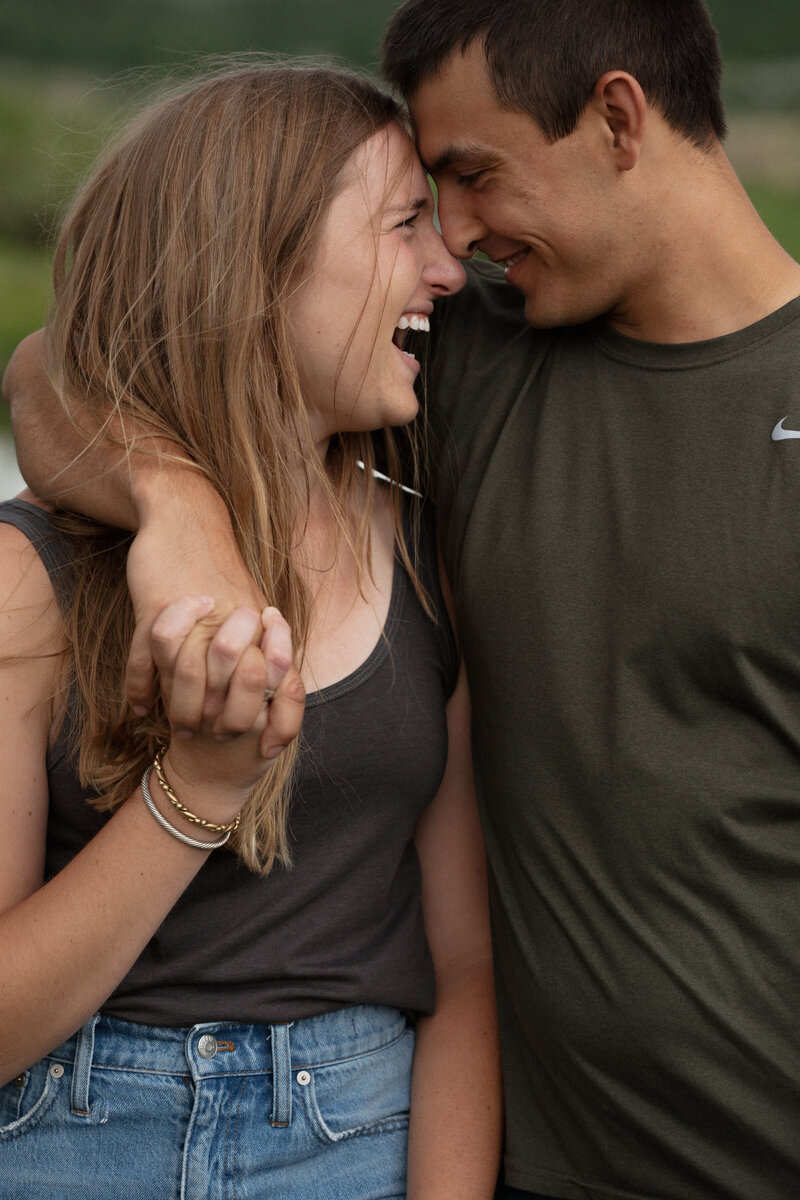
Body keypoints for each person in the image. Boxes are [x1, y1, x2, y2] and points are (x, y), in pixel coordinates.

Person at [6, 2, 800, 1198]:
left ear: (619, 119)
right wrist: (182, 514)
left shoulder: (455, 376)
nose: (457, 242)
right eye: (426, 203)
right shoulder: (475, 354)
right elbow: (69, 363)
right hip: (527, 1165)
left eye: (474, 177)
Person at [0, 62, 504, 1200]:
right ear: (251, 263)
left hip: (355, 1134)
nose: (445, 269)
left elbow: (464, 967)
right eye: (402, 224)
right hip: (66, 1138)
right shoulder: (31, 573)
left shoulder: (431, 550)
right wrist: (199, 792)